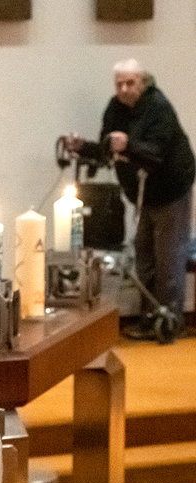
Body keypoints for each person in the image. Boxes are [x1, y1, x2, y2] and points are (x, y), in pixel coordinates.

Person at [74, 58, 195, 342]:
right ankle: (148, 318)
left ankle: (169, 323)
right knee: (144, 255)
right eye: (119, 84)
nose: (124, 89)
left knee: (168, 260)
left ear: (142, 83)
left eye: (130, 83)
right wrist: (83, 148)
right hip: (143, 195)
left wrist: (128, 145)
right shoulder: (114, 108)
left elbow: (156, 154)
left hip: (171, 191)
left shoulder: (159, 108)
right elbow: (107, 149)